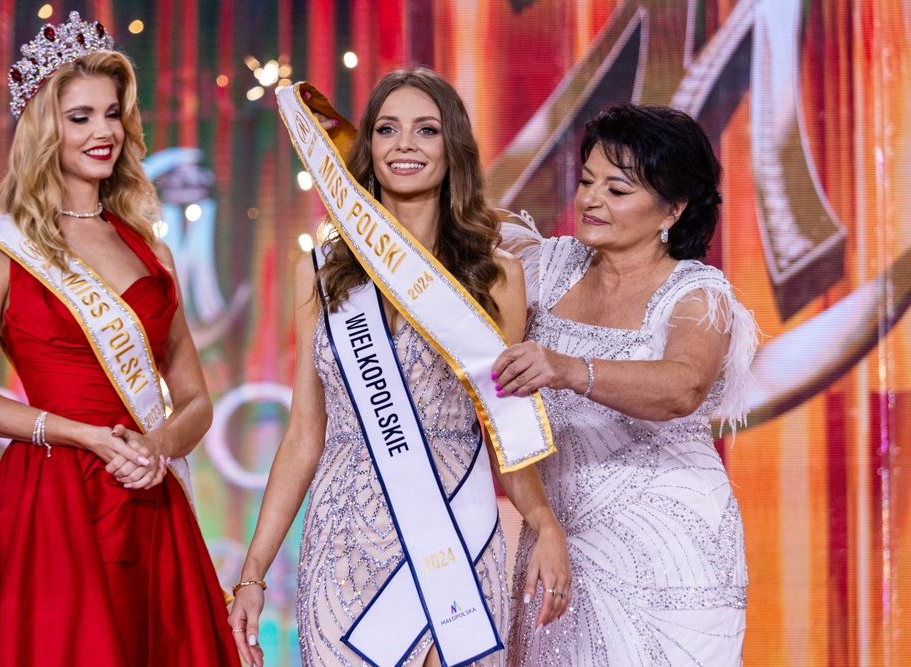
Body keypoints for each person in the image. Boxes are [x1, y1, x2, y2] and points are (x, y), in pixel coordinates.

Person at [228, 68, 570, 667]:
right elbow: (304, 434)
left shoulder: (495, 277)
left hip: (458, 530)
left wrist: (545, 523)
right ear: (368, 147)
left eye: (426, 130)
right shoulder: (322, 272)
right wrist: (253, 573)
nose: (404, 144)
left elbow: (507, 427)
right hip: (345, 546)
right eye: (387, 129)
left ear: (453, 148)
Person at [0, 13, 237, 665]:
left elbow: (195, 399)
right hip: (50, 498)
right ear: (46, 129)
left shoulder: (151, 250)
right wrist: (82, 435)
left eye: (112, 113)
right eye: (81, 117)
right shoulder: (1, 245)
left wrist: (156, 445)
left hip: (146, 496)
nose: (104, 132)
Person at [493, 104, 757, 665]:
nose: (591, 200)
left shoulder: (697, 293)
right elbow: (450, 221)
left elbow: (684, 386)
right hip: (558, 538)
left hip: (671, 553)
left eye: (617, 189)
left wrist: (568, 368)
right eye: (587, 181)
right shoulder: (546, 267)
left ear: (673, 208)